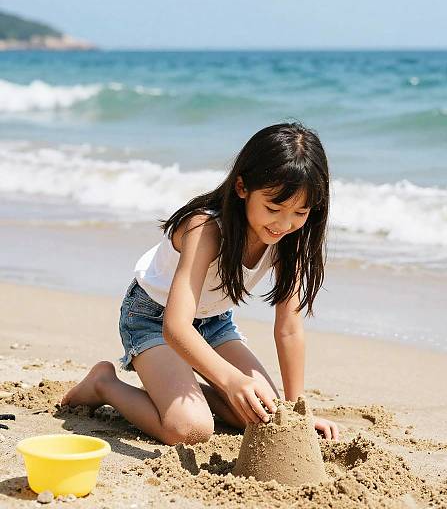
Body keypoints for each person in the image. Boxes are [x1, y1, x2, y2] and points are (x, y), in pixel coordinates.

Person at [62, 122, 339, 445]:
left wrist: (296, 411)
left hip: (213, 324)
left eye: (300, 212)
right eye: (273, 208)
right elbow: (175, 327)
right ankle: (104, 384)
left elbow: (289, 328)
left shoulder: (290, 238)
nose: (284, 224)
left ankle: (178, 387)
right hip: (153, 319)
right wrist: (231, 379)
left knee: (263, 414)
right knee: (189, 430)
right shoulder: (205, 229)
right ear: (242, 187)